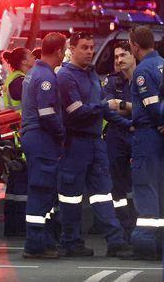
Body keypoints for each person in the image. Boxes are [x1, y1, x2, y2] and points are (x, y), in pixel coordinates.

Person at [56, 32, 132, 258]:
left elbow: (104, 109)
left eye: (92, 47)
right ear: (72, 49)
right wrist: (103, 105)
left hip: (94, 143)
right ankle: (70, 242)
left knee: (103, 194)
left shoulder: (91, 74)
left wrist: (128, 124)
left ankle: (115, 241)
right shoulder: (66, 76)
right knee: (71, 197)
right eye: (85, 47)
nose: (90, 51)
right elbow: (76, 112)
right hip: (75, 143)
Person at [21, 32, 67, 259]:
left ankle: (42, 241)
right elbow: (47, 114)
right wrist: (62, 134)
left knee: (43, 190)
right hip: (42, 139)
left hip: (36, 138)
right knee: (40, 191)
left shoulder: (34, 73)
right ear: (59, 51)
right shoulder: (46, 78)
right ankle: (35, 244)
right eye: (64, 50)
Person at [127, 26, 164, 260]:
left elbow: (152, 106)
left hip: (148, 137)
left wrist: (162, 121)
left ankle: (145, 243)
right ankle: (163, 243)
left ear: (134, 45)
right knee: (162, 189)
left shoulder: (143, 71)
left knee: (145, 188)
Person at [99, 41, 137, 239]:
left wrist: (123, 104)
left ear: (133, 55)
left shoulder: (143, 78)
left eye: (123, 55)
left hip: (139, 134)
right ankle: (124, 227)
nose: (119, 60)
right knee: (117, 186)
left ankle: (140, 227)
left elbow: (147, 107)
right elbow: (106, 108)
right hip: (117, 136)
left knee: (139, 183)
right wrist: (129, 121)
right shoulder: (111, 81)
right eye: (116, 57)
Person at [1, 47, 36, 237]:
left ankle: (12, 226)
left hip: (15, 136)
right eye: (31, 56)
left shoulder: (15, 78)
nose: (34, 58)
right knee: (21, 184)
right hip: (19, 138)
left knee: (15, 185)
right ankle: (19, 226)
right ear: (23, 61)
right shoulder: (19, 81)